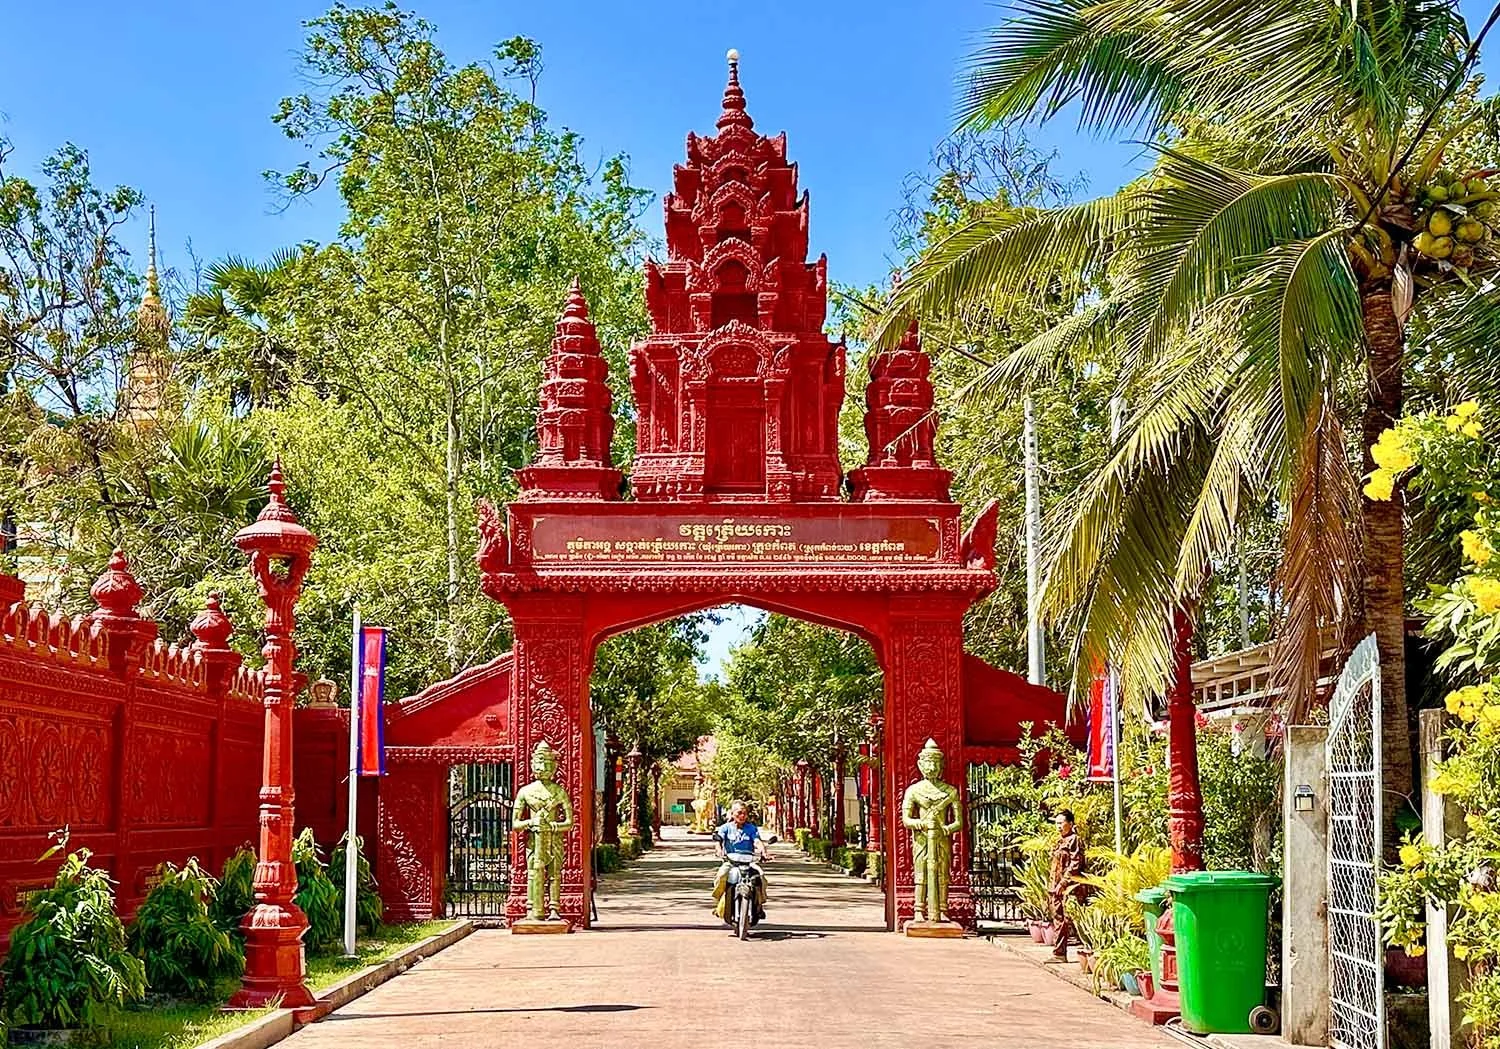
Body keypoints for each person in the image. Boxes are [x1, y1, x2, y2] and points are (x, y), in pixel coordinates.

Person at [712, 800, 768, 920]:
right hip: (731, 862)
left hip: (749, 862)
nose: (742, 816)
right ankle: (719, 900)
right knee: (721, 875)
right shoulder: (725, 828)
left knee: (761, 877)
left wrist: (763, 851)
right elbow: (719, 840)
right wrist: (719, 850)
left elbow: (757, 841)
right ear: (732, 814)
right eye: (739, 813)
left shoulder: (751, 828)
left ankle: (759, 905)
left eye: (744, 813)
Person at [1047, 808, 1087, 960]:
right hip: (1056, 886)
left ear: (1070, 823)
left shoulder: (1074, 840)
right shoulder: (1060, 841)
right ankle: (1059, 952)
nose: (1058, 826)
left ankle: (1062, 952)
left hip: (1068, 887)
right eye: (1056, 823)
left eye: (1061, 822)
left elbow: (1075, 863)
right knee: (1058, 918)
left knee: (1067, 920)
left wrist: (1063, 883)